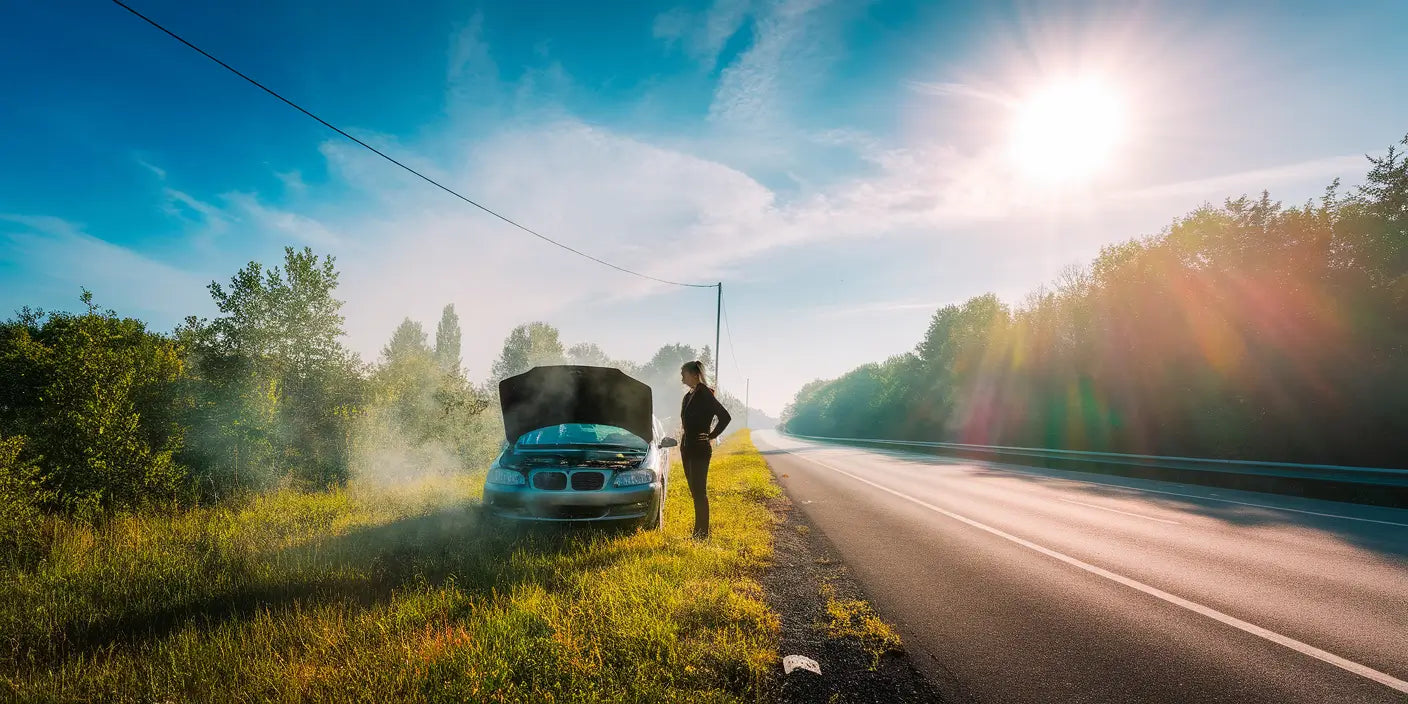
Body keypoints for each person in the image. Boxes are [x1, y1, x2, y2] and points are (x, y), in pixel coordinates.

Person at [679, 360, 731, 539]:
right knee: (694, 491)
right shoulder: (688, 396)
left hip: (700, 448)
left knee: (699, 491)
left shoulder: (704, 393)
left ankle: (702, 534)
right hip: (686, 447)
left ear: (694, 375)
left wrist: (711, 435)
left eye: (683, 374)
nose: (681, 378)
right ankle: (697, 531)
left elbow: (725, 417)